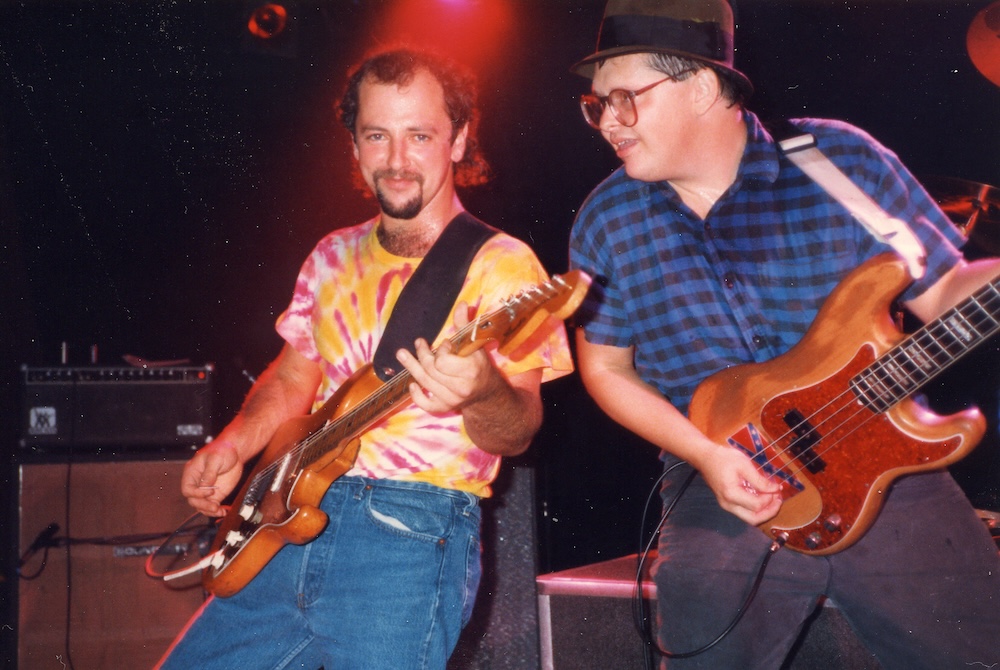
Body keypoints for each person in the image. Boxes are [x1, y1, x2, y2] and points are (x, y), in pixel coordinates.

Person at [568, 1, 1000, 668]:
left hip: (882, 453)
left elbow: (943, 290)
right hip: (717, 470)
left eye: (625, 98)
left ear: (705, 85)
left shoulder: (837, 161)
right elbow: (604, 368)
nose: (608, 123)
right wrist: (707, 456)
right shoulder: (606, 219)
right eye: (597, 105)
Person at [157, 47, 572, 670]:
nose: (397, 160)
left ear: (458, 141)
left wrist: (482, 390)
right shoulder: (331, 255)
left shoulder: (502, 264)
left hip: (407, 533)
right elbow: (295, 373)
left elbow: (518, 430)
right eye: (377, 135)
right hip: (287, 518)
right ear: (353, 144)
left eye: (420, 135)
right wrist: (234, 445)